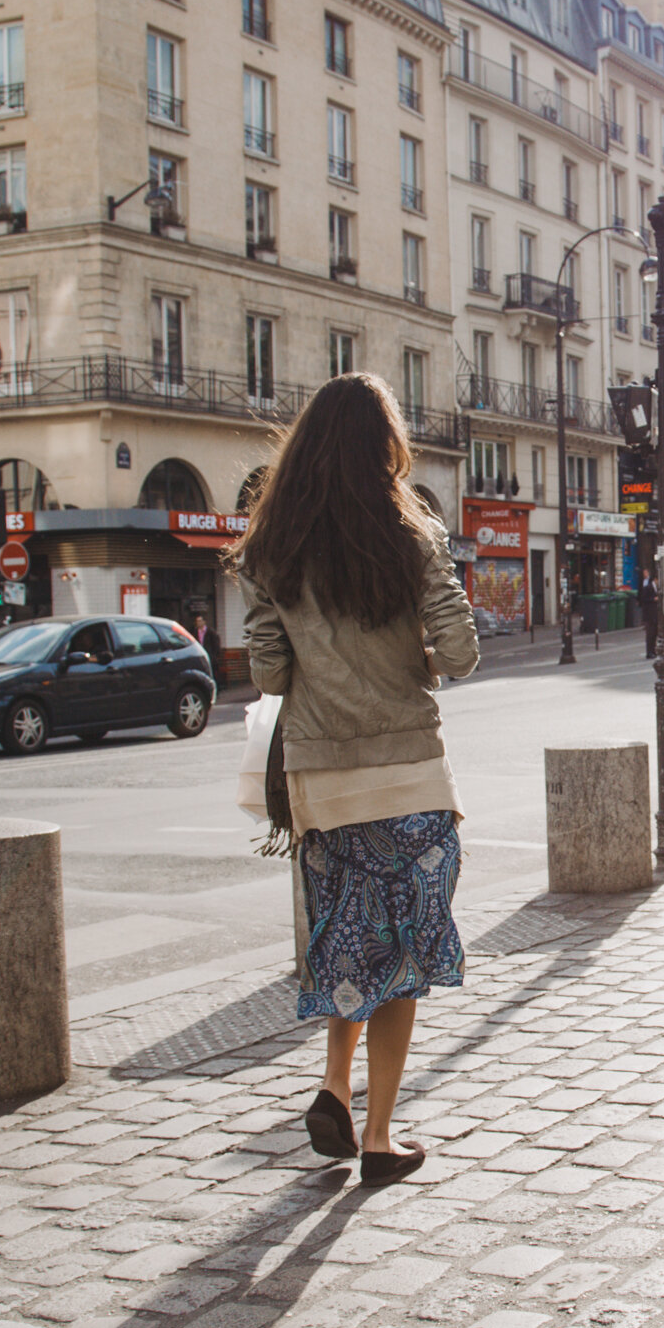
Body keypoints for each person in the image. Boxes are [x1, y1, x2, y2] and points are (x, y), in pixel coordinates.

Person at [235, 372, 480, 1188]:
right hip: (410, 772)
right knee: (402, 953)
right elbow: (463, 653)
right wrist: (413, 649)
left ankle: (335, 1085)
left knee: (347, 936)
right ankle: (377, 1133)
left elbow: (268, 671)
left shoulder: (275, 545)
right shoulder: (413, 534)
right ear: (386, 446)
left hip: (322, 781)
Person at [193, 610, 222, 681]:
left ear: (204, 622)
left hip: (210, 656)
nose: (198, 623)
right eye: (197, 621)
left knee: (212, 673)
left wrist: (214, 655)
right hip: (200, 655)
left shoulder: (210, 632)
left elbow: (216, 644)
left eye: (200, 621)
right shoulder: (195, 632)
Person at [636, 573, 660, 659]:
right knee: (650, 634)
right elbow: (643, 599)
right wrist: (653, 599)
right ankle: (649, 652)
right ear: (655, 579)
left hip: (655, 614)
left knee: (654, 634)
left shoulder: (657, 588)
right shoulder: (648, 588)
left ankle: (653, 650)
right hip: (649, 614)